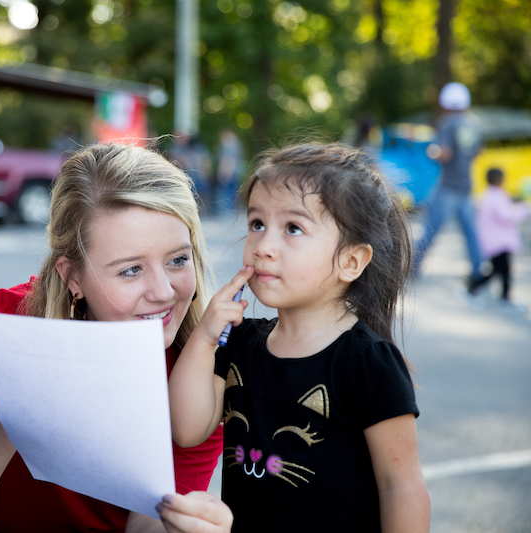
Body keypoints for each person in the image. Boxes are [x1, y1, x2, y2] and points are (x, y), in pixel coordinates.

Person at [0, 142, 232, 533]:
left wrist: (184, 526)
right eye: (131, 270)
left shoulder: (200, 375)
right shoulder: (4, 327)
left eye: (178, 259)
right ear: (73, 277)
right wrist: (20, 404)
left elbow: (146, 523)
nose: (165, 292)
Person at [169, 143, 430, 532]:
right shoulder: (240, 342)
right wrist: (206, 336)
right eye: (257, 224)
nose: (264, 247)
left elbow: (401, 487)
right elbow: (187, 430)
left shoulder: (367, 361)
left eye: (293, 228)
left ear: (351, 261)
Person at [413, 82, 484, 290]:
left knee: (429, 229)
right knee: (471, 233)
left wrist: (431, 151)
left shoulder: (447, 123)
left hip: (448, 187)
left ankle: (413, 268)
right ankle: (478, 271)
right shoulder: (474, 124)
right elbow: (478, 152)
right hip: (467, 186)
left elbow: (445, 153)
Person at [468, 167, 529, 312]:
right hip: (499, 242)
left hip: (496, 241)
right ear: (501, 180)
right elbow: (507, 216)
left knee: (501, 270)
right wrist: (524, 209)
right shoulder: (496, 197)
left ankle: (502, 296)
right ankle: (474, 289)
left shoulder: (488, 195)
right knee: (500, 270)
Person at [214, 130, 245, 213]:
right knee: (233, 190)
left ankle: (226, 210)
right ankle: (232, 209)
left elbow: (227, 160)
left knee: (226, 191)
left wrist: (224, 172)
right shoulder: (236, 146)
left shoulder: (227, 147)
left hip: (228, 172)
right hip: (235, 172)